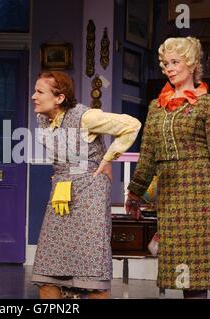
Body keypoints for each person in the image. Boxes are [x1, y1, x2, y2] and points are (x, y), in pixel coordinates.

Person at [125, 37, 210, 299]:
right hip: (170, 200)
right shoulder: (156, 108)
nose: (169, 68)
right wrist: (134, 194)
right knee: (188, 276)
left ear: (191, 64)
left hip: (201, 195)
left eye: (175, 62)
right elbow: (146, 156)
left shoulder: (207, 104)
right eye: (166, 63)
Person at [31, 71, 141, 299]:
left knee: (92, 276)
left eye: (40, 92)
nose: (34, 96)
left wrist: (108, 158)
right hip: (61, 191)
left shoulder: (85, 117)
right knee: (46, 274)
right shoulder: (44, 118)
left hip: (89, 193)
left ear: (59, 98)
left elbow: (131, 125)